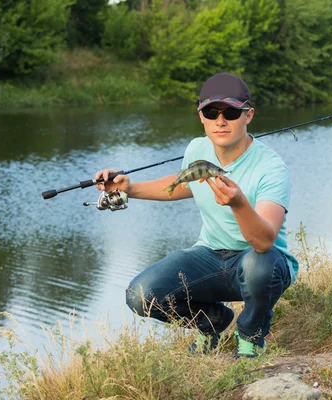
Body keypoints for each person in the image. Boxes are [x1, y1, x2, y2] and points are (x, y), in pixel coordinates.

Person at [95, 72, 298, 358]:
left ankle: (251, 336)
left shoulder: (271, 168)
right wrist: (130, 188)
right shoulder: (197, 148)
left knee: (259, 264)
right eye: (211, 112)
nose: (220, 120)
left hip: (261, 263)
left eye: (231, 111)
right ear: (201, 115)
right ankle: (212, 321)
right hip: (210, 255)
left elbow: (264, 242)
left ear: (248, 115)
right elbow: (182, 186)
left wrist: (239, 204)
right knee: (140, 295)